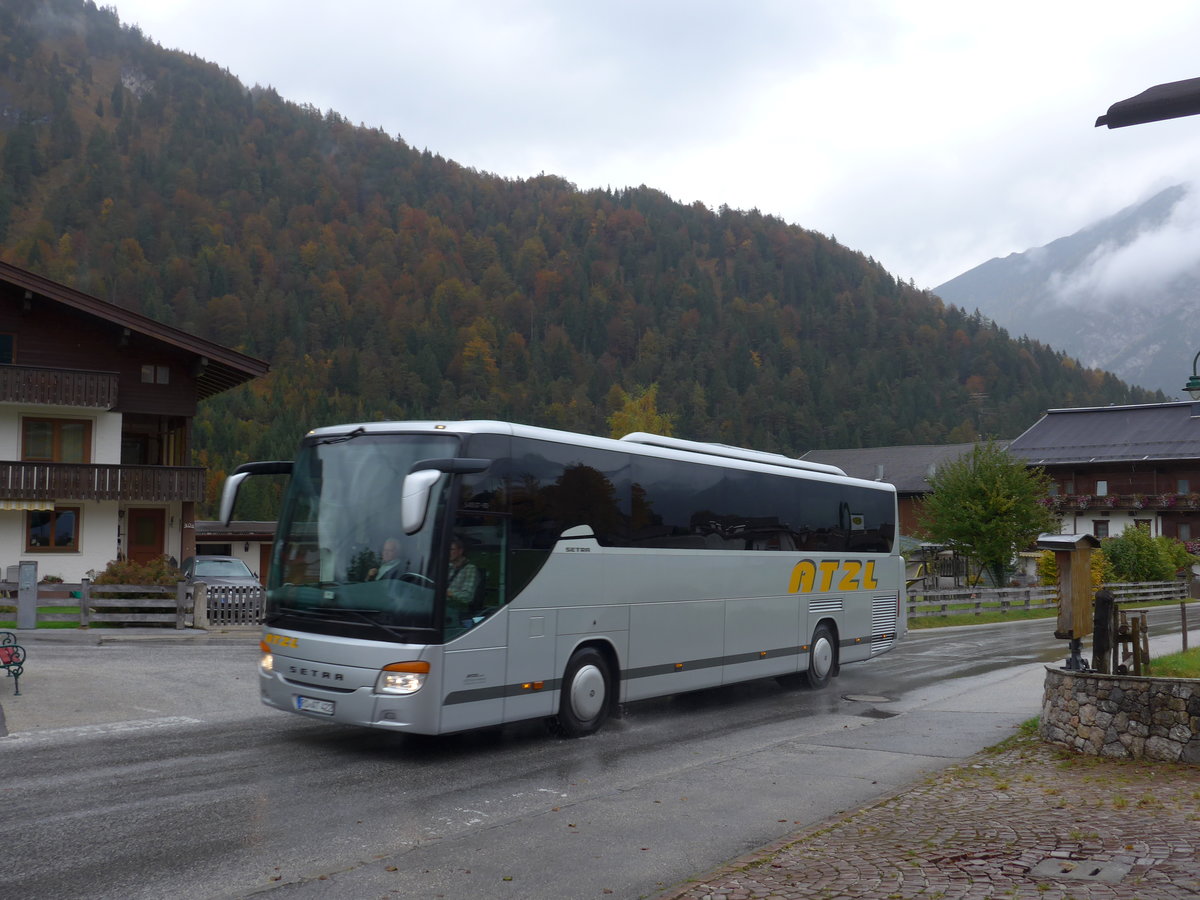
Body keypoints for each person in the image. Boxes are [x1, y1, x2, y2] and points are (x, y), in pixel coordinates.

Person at [445, 536, 480, 618]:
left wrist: (448, 593)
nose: (448, 552)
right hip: (443, 609)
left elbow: (467, 596)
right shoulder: (447, 567)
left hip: (458, 613)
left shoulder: (470, 569)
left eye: (451, 549)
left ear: (460, 551)